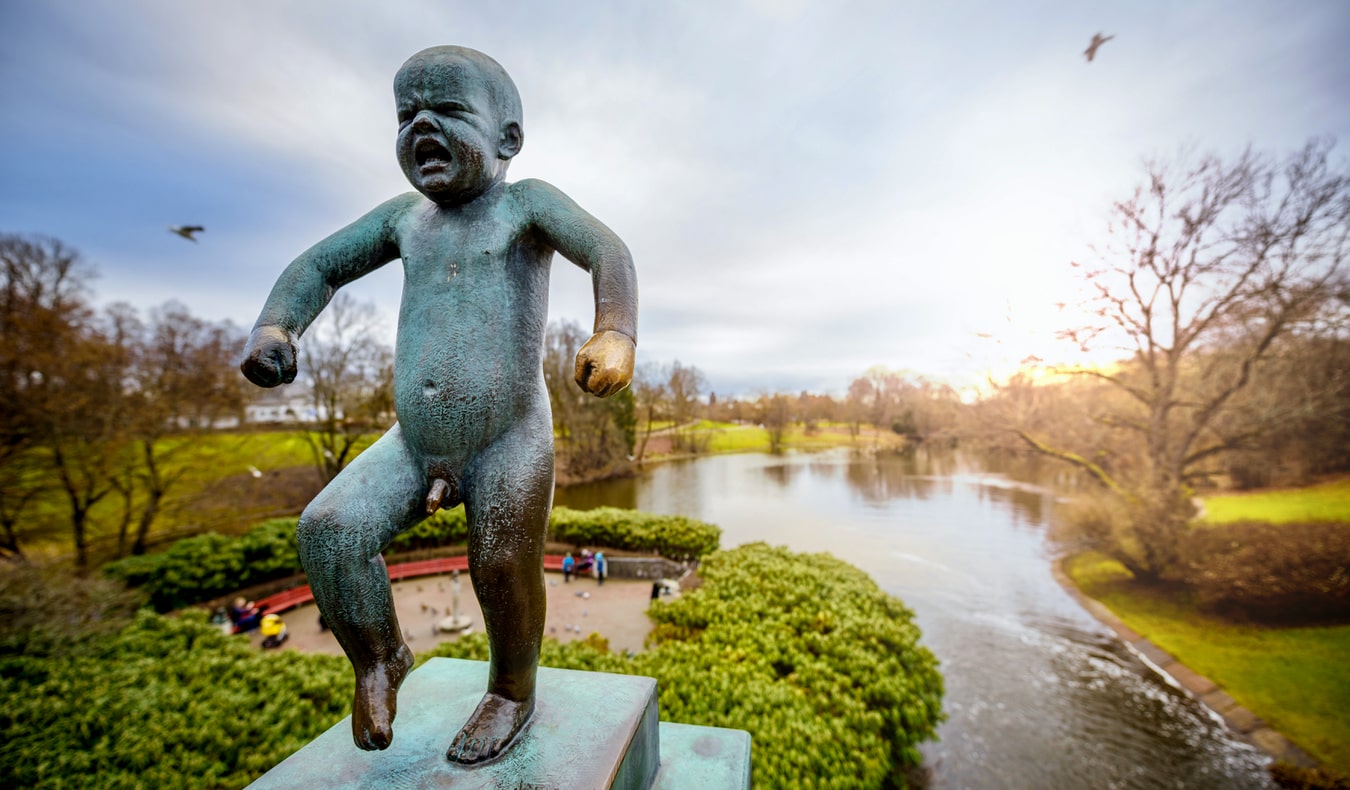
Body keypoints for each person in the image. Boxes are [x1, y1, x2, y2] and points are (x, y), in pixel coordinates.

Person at [240, 45, 636, 764]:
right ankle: (381, 659)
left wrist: (614, 331)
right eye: (405, 116)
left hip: (508, 437)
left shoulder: (525, 205)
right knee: (329, 532)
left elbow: (607, 250)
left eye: (448, 111)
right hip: (414, 441)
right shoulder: (404, 219)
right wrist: (277, 325)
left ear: (507, 139)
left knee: (499, 565)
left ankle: (512, 690)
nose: (421, 125)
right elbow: (319, 266)